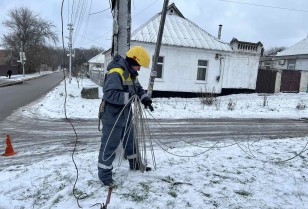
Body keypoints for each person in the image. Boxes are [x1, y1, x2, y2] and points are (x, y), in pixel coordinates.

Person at [98, 46, 154, 186]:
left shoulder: (130, 73)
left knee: (130, 141)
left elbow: (137, 89)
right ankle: (105, 176)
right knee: (110, 145)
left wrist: (144, 98)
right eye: (138, 65)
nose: (139, 69)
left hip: (126, 113)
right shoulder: (116, 72)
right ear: (131, 60)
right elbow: (109, 94)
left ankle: (135, 165)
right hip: (112, 115)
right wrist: (129, 96)